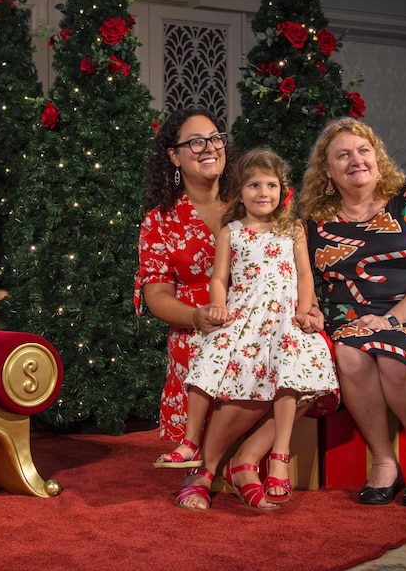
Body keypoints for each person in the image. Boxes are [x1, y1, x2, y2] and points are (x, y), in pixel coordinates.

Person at [136, 108, 306, 510]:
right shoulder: (160, 221)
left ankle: (238, 462)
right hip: (201, 319)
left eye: (215, 138)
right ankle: (207, 469)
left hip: (266, 312)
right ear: (174, 156)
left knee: (308, 361)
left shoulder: (252, 195)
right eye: (195, 141)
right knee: (223, 356)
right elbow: (156, 295)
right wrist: (197, 316)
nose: (209, 148)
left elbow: (294, 251)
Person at [300, 117, 406, 507]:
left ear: (377, 156)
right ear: (327, 169)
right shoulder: (314, 218)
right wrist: (310, 310)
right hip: (350, 316)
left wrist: (393, 319)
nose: (357, 160)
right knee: (350, 354)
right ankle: (384, 463)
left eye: (363, 150)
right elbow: (301, 277)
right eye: (343, 155)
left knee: (392, 357)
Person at [183, 148, 338, 507]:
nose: (263, 193)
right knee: (237, 362)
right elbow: (219, 278)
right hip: (246, 316)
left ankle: (273, 455)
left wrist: (303, 311)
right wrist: (218, 305)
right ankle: (202, 467)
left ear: (284, 191)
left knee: (304, 363)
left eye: (271, 185)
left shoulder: (291, 228)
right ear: (239, 192)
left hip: (284, 317)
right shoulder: (232, 231)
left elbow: (304, 275)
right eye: (254, 185)